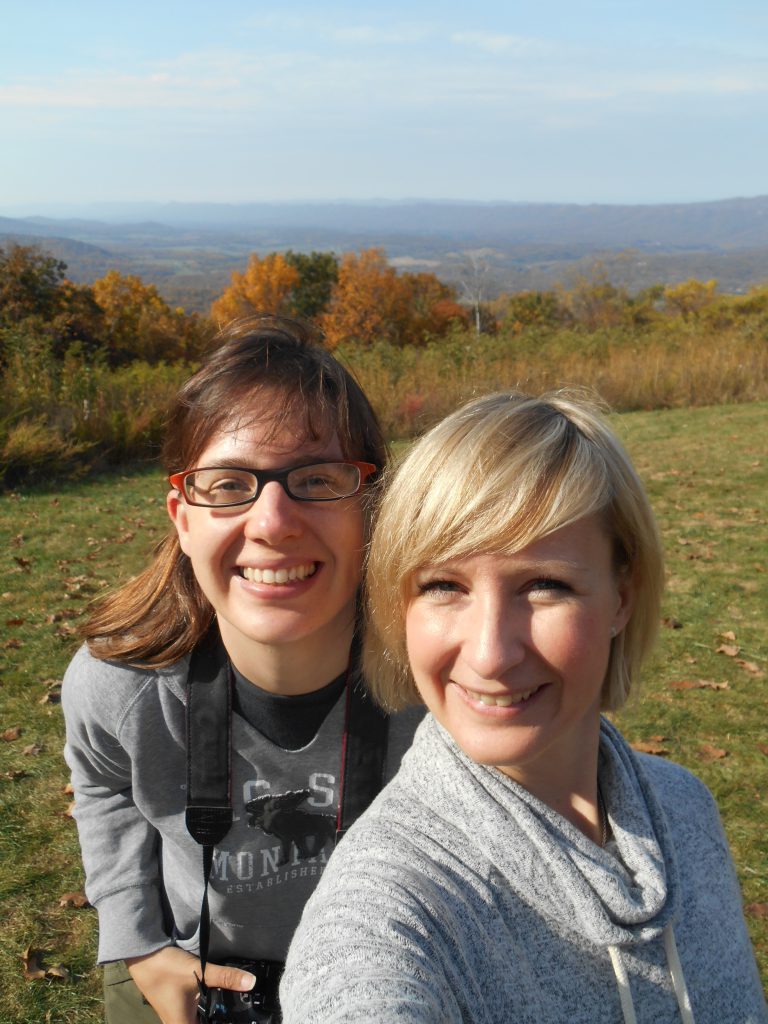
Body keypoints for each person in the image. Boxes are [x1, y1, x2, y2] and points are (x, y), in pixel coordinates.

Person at [280, 390, 767, 1024]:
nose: (489, 654)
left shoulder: (686, 809)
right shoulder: (389, 904)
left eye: (544, 585)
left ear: (623, 595)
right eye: (443, 586)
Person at [62, 316, 422, 1024]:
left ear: (373, 507)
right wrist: (136, 944)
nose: (273, 521)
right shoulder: (121, 683)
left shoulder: (437, 678)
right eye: (228, 485)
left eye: (318, 478)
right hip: (191, 982)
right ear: (182, 518)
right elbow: (104, 781)